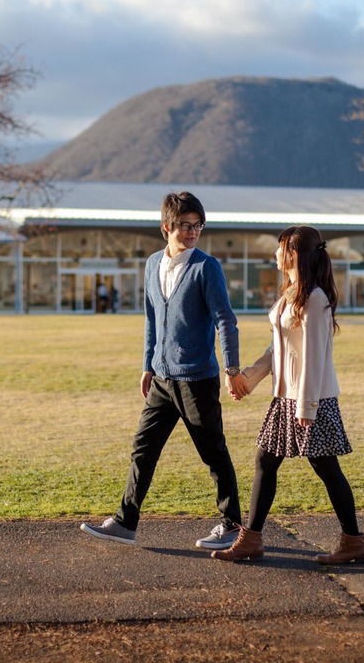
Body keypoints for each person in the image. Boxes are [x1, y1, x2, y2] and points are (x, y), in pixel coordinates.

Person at [81, 191, 250, 550]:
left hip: (197, 379)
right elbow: (151, 319)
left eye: (198, 225)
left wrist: (231, 367)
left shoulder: (206, 267)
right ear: (166, 228)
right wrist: (147, 364)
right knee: (143, 448)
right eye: (185, 225)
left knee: (213, 453)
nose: (192, 232)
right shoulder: (152, 264)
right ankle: (125, 522)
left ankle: (232, 525)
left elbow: (225, 319)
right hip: (161, 377)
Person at [213, 225, 364, 564]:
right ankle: (252, 539)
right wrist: (248, 379)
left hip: (310, 400)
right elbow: (278, 349)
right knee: (266, 460)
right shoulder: (292, 293)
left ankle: (353, 541)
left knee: (325, 467)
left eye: (280, 247)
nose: (275, 253)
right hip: (287, 398)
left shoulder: (315, 298)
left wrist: (307, 407)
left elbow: (313, 357)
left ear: (293, 254)